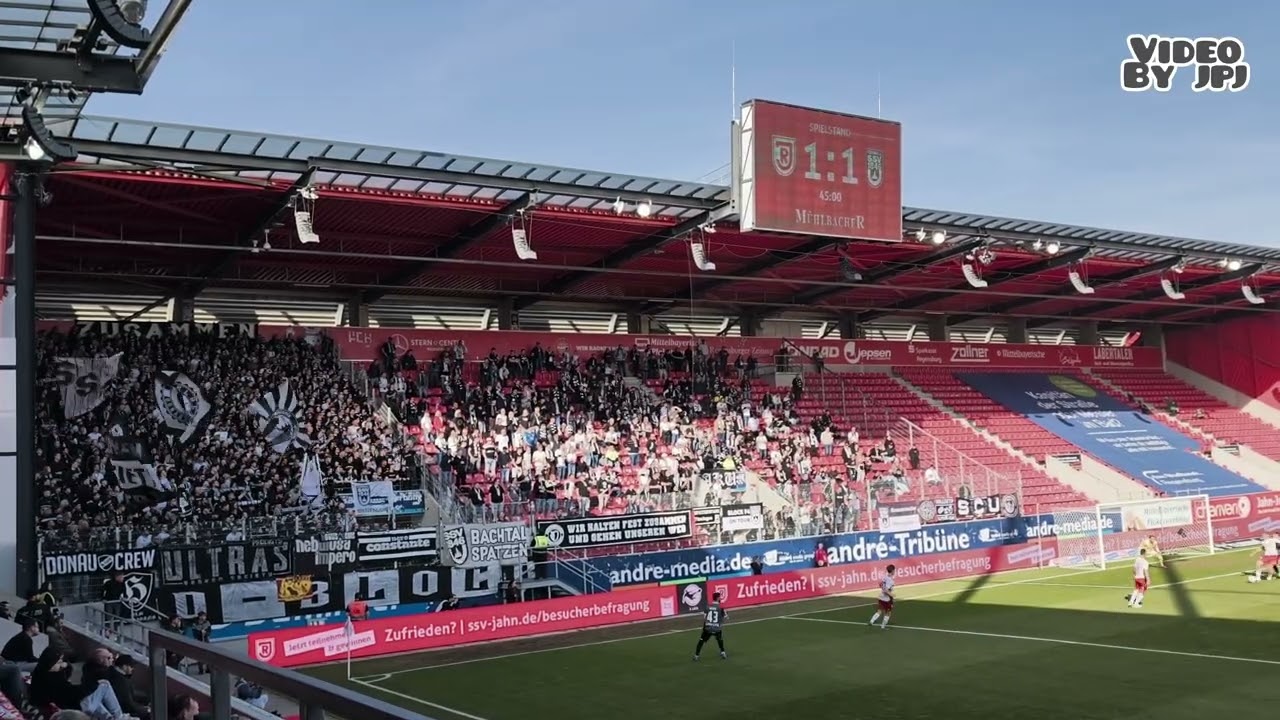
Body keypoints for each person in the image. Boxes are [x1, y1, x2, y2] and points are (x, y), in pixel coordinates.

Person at [28, 647, 128, 720]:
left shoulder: (41, 673)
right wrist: (94, 685)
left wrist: (65, 666)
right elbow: (73, 693)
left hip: (70, 704)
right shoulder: (52, 679)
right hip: (74, 707)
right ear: (51, 663)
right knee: (104, 685)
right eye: (58, 662)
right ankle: (119, 717)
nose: (61, 664)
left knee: (94, 694)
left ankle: (110, 718)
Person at [691, 591, 727, 661]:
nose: (720, 598)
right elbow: (725, 617)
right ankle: (723, 652)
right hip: (717, 628)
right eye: (719, 597)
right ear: (718, 598)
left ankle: (696, 655)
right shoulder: (721, 608)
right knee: (720, 639)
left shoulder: (707, 607)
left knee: (701, 641)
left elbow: (704, 617)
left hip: (708, 628)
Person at [868, 564, 896, 629]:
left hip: (881, 597)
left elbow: (880, 584)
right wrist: (892, 595)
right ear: (892, 571)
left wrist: (883, 589)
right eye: (894, 570)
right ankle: (883, 626)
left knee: (879, 611)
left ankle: (871, 621)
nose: (895, 571)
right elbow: (886, 590)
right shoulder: (891, 581)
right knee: (888, 612)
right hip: (887, 599)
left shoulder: (884, 577)